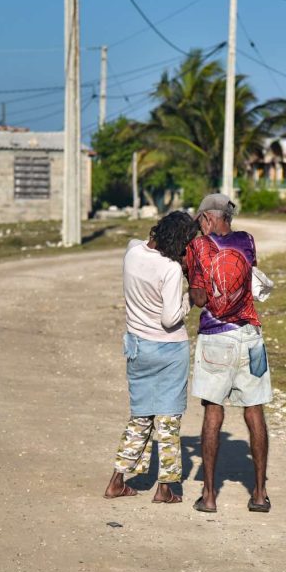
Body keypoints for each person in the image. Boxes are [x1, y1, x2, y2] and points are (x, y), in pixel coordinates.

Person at [185, 193, 272, 514]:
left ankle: (209, 496)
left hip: (216, 338)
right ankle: (260, 494)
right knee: (254, 411)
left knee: (213, 411)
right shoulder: (247, 240)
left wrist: (190, 274)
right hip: (251, 335)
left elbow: (198, 299)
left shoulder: (198, 248)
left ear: (207, 218)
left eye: (199, 222)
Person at [104, 211, 198, 504]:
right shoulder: (169, 269)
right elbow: (171, 319)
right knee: (168, 421)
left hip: (138, 347)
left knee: (141, 416)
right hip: (169, 350)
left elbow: (140, 241)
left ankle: (117, 481)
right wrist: (190, 300)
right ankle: (165, 488)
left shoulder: (132, 252)